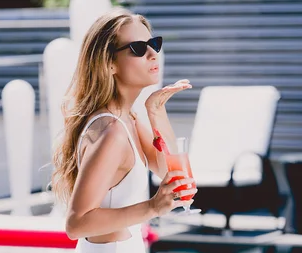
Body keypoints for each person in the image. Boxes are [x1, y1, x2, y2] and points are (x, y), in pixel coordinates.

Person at [50, 7, 197, 253]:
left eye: (154, 44)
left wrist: (156, 110)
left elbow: (171, 173)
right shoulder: (112, 131)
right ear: (109, 64)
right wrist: (152, 208)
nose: (152, 53)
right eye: (138, 48)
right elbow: (76, 224)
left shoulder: (128, 118)